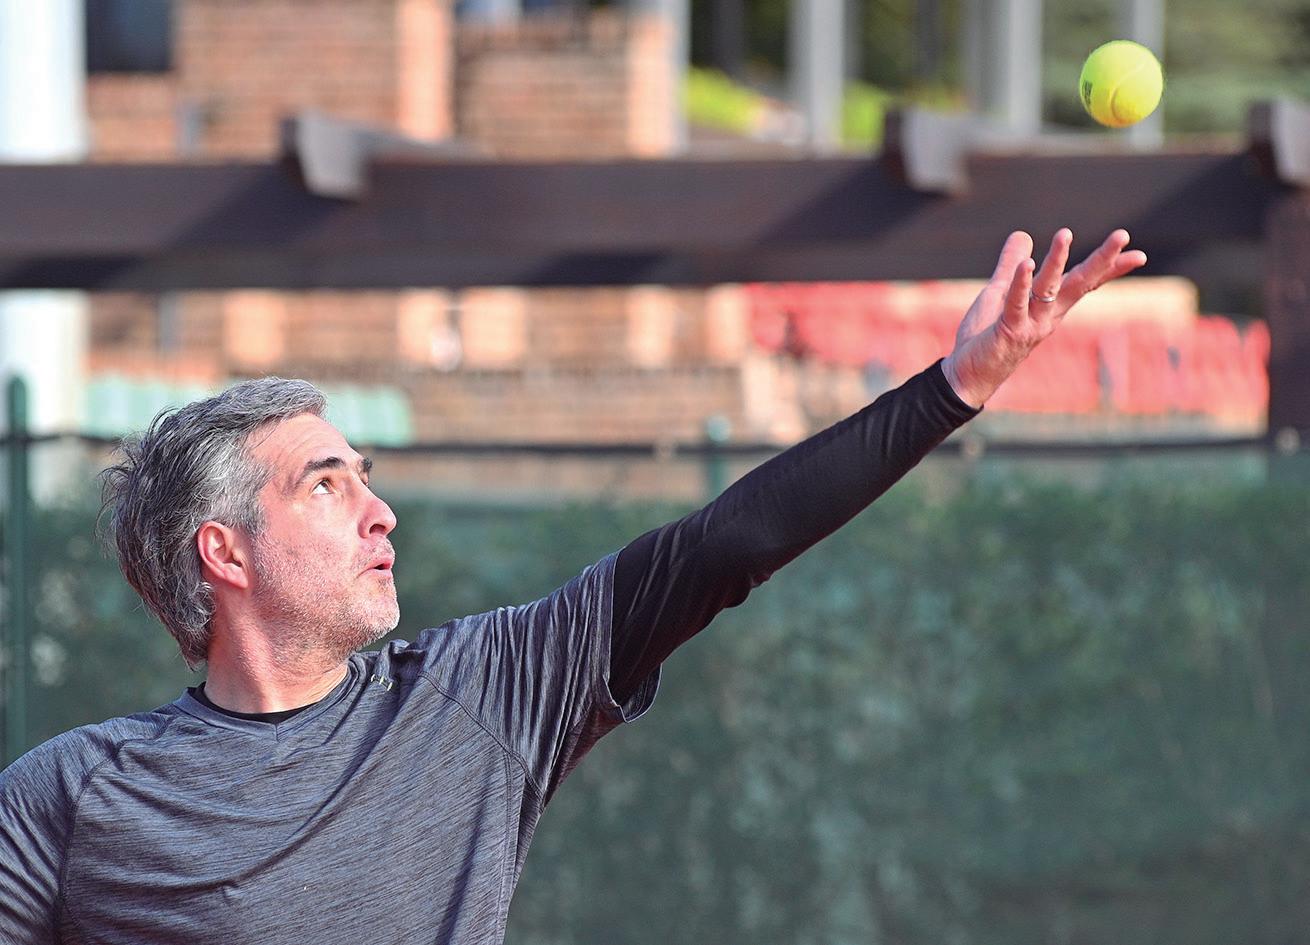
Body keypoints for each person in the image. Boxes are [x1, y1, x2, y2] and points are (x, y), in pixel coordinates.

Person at [0, 229, 1145, 944]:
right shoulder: (69, 797)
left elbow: (722, 548)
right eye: (326, 484)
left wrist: (952, 387)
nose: (378, 511)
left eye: (368, 478)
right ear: (225, 554)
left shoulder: (473, 697)